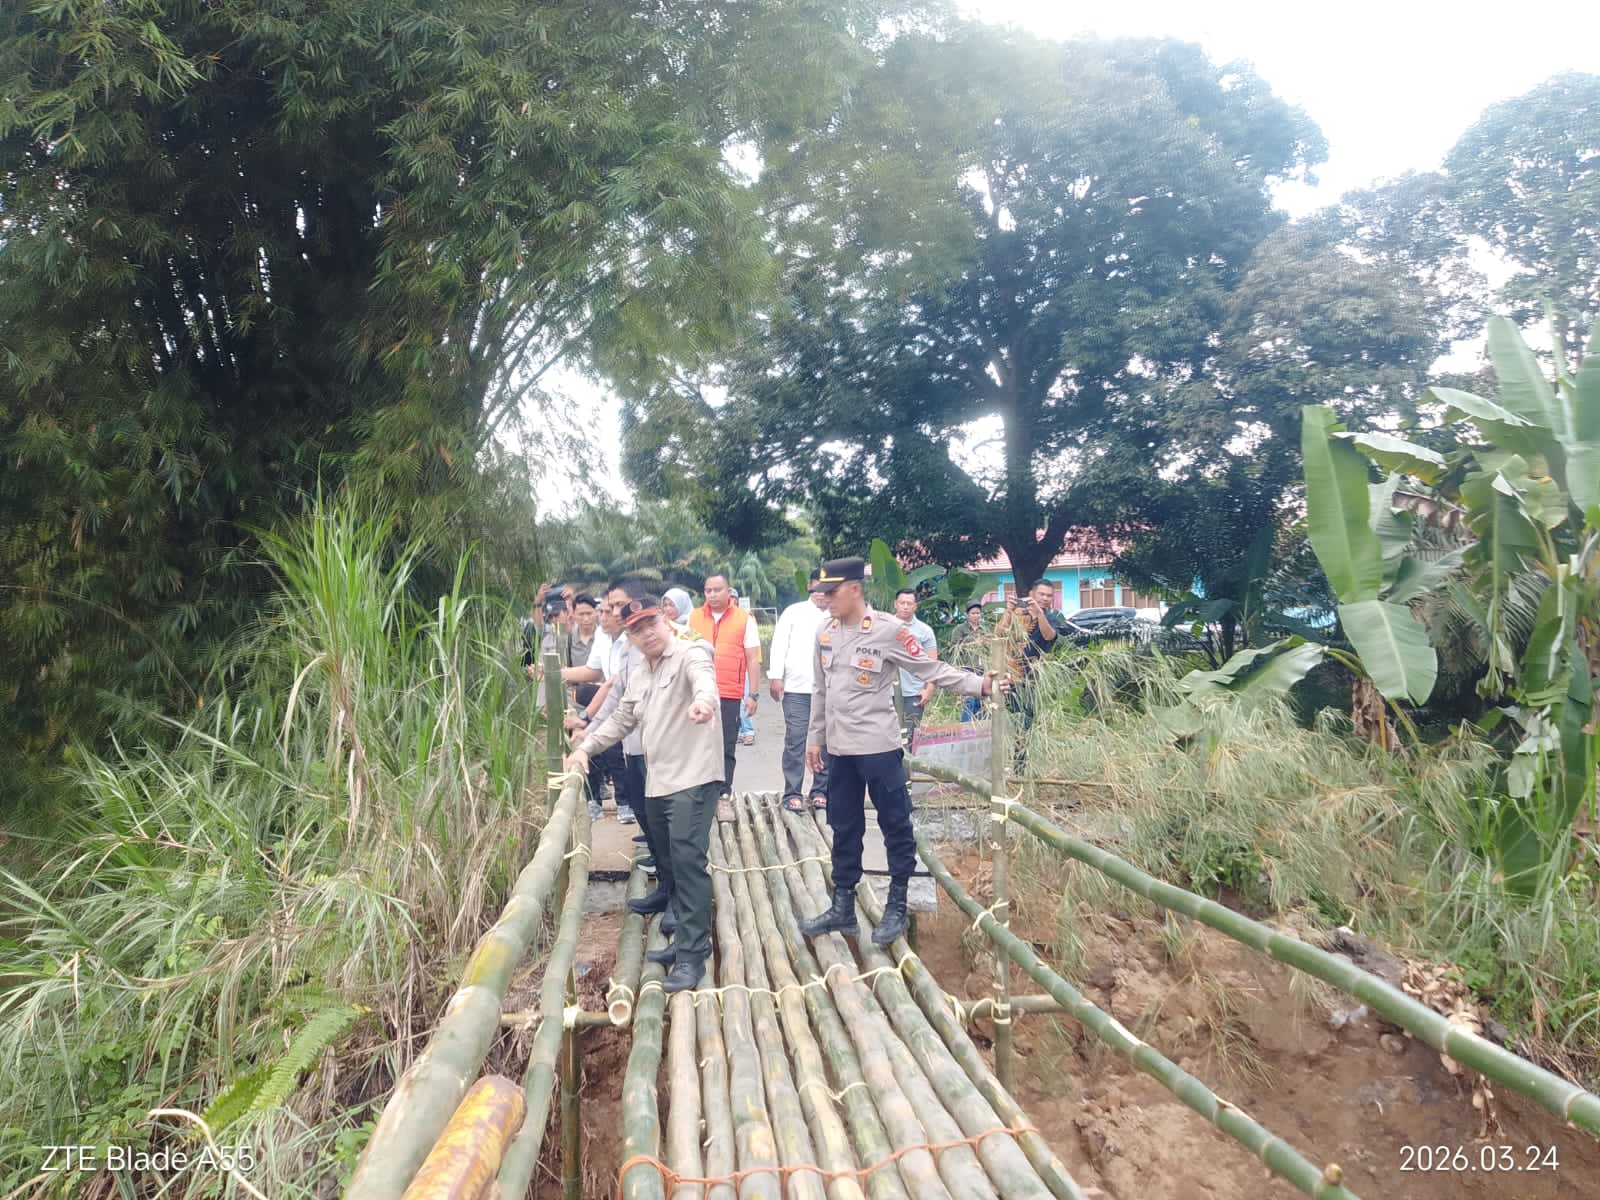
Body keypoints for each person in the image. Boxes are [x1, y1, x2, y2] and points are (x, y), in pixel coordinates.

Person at [802, 557, 1006, 947]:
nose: (825, 600)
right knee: (843, 826)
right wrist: (816, 738)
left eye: (831, 593)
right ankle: (843, 907)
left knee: (895, 825)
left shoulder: (889, 630)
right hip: (840, 751)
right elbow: (820, 689)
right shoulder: (824, 632)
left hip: (878, 748)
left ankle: (896, 905)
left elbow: (931, 670)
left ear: (854, 589)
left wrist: (980, 685)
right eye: (821, 594)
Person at [565, 596, 722, 994]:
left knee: (687, 860)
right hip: (659, 781)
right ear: (629, 636)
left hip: (693, 778)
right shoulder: (639, 670)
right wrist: (585, 747)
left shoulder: (690, 654)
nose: (646, 633)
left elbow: (706, 683)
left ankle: (692, 954)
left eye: (651, 623)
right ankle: (687, 938)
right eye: (636, 628)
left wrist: (704, 703)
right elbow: (622, 718)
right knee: (669, 859)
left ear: (665, 620)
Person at [688, 573, 761, 799]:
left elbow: (752, 658)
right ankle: (700, 788)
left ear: (728, 592)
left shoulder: (743, 618)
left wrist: (753, 695)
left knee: (727, 743)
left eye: (717, 589)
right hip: (699, 691)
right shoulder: (694, 617)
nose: (712, 594)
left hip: (729, 692)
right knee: (698, 742)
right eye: (708, 590)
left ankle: (723, 790)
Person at [768, 570, 832, 813]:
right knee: (796, 739)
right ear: (809, 587)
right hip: (797, 688)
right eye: (816, 589)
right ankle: (792, 791)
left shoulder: (837, 614)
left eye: (824, 590)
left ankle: (820, 791)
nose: (820, 595)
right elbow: (779, 643)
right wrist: (776, 676)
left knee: (825, 741)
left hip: (828, 690)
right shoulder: (794, 612)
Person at [995, 579, 1071, 738]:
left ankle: (1019, 759)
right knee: (1001, 718)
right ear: (1031, 594)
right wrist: (1008, 611)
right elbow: (998, 634)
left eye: (1049, 596)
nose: (1045, 598)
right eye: (1041, 594)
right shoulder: (1017, 613)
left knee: (1024, 721)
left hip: (1030, 678)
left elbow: (1049, 636)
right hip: (1006, 674)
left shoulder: (1052, 618)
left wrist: (1039, 614)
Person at [891, 587, 939, 743]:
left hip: (914, 693)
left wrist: (929, 689)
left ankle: (907, 768)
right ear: (895, 604)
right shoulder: (885, 626)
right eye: (902, 603)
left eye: (909, 603)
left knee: (909, 738)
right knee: (886, 738)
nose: (905, 606)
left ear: (915, 606)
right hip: (886, 693)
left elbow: (932, 663)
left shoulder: (924, 631)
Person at [948, 601, 988, 722]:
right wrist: (973, 643)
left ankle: (978, 728)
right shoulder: (960, 629)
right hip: (967, 668)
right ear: (967, 615)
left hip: (981, 668)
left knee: (981, 700)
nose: (976, 615)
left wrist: (985, 643)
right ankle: (965, 728)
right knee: (969, 700)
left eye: (978, 613)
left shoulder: (984, 629)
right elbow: (954, 647)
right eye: (973, 613)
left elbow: (989, 647)